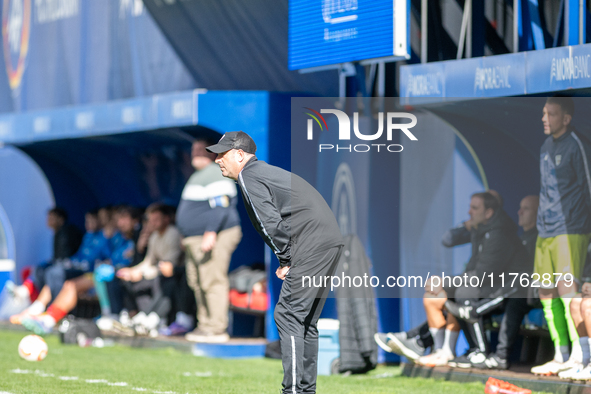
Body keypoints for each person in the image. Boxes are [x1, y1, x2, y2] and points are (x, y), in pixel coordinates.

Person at [207, 131, 344, 394]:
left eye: (222, 153)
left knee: (288, 313)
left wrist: (287, 258)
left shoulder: (249, 174)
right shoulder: (261, 172)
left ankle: (293, 391)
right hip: (327, 240)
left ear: (239, 154)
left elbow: (269, 223)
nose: (217, 160)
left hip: (311, 243)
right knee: (304, 320)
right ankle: (305, 390)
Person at [415, 192, 524, 367]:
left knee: (464, 292)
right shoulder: (479, 229)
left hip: (508, 290)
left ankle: (479, 351)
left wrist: (445, 283)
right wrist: (466, 227)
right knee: (434, 295)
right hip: (488, 285)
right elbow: (448, 240)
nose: (469, 212)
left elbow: (483, 275)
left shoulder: (499, 234)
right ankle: (442, 351)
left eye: (474, 208)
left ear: (488, 213)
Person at [530, 96, 591, 376]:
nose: (545, 118)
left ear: (566, 119)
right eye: (544, 113)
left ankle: (581, 356)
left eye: (551, 114)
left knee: (570, 292)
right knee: (546, 291)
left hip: (572, 229)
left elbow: (587, 187)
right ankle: (561, 354)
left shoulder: (577, 145)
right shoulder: (545, 146)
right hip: (546, 231)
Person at [21, 206, 138, 335]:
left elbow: (109, 257)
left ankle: (49, 318)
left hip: (111, 274)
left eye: (121, 219)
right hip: (100, 273)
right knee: (65, 282)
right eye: (117, 219)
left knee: (71, 284)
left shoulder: (130, 237)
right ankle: (44, 314)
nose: (119, 223)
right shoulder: (111, 237)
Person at [176, 138, 242, 343]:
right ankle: (205, 326)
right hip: (195, 239)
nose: (196, 153)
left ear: (213, 154)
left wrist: (211, 232)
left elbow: (222, 205)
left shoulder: (215, 172)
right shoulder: (199, 175)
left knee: (212, 280)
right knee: (197, 282)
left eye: (200, 150)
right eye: (193, 149)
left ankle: (216, 328)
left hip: (217, 234)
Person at [470, 195, 539, 370]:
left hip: (528, 293)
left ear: (539, 213)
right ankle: (477, 351)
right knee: (468, 299)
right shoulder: (519, 238)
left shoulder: (540, 240)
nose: (519, 212)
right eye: (520, 207)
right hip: (508, 290)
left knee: (515, 297)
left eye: (526, 208)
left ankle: (501, 355)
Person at [9, 210, 109, 324]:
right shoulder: (88, 236)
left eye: (92, 220)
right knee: (47, 271)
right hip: (86, 270)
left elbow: (103, 257)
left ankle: (49, 315)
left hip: (94, 273)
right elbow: (80, 255)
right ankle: (42, 311)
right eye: (87, 221)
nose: (88, 223)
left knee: (63, 279)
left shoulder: (104, 236)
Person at [115, 203, 187, 334]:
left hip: (175, 276)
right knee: (125, 277)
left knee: (164, 282)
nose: (152, 223)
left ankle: (151, 317)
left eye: (156, 220)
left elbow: (169, 266)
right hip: (158, 273)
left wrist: (142, 274)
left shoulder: (173, 234)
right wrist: (133, 271)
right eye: (150, 220)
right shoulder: (154, 236)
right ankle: (135, 316)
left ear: (166, 219)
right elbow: (148, 262)